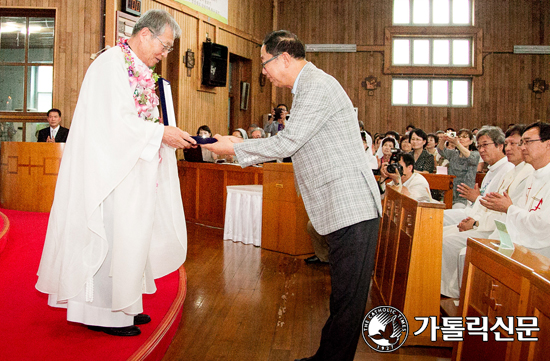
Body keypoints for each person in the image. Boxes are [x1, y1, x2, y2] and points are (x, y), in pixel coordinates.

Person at [203, 30, 381, 361]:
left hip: (352, 205)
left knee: (348, 300)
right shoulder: (308, 88)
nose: (263, 72)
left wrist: (235, 149)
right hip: (344, 207)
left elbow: (287, 143)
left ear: (284, 57)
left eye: (265, 63)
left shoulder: (315, 86)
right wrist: (237, 144)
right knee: (343, 297)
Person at [36, 9, 196, 337]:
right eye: (164, 46)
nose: (164, 55)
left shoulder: (137, 69)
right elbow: (112, 122)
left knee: (131, 238)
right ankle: (101, 312)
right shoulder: (111, 64)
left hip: (131, 170)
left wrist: (162, 131)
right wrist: (159, 134)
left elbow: (141, 119)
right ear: (145, 34)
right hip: (107, 174)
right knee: (109, 235)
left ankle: (126, 305)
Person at [440, 125, 533, 298]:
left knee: (451, 243)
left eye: (515, 143)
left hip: (502, 231)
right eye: (508, 143)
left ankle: (455, 294)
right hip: (490, 223)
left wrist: (476, 222)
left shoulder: (523, 172)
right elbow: (490, 205)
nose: (509, 148)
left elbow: (502, 210)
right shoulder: (510, 172)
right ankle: (447, 291)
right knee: (442, 234)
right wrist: (475, 219)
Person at [481, 122, 550, 259]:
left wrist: (509, 208)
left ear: (548, 144)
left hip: (543, 251)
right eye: (522, 142)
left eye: (528, 142)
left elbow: (545, 225)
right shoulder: (532, 176)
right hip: (522, 243)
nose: (522, 147)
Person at [442, 126, 513, 225]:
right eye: (479, 146)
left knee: (444, 235)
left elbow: (497, 209)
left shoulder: (508, 170)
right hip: (474, 213)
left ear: (500, 146)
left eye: (485, 145)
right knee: (438, 217)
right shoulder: (492, 170)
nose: (481, 150)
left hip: (487, 223)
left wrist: (476, 199)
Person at [437, 129, 480, 208]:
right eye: (459, 137)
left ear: (470, 141)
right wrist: (443, 139)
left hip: (464, 195)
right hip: (450, 193)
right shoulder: (454, 154)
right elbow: (441, 150)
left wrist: (457, 144)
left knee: (457, 208)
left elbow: (471, 157)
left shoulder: (475, 154)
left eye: (465, 137)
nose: (461, 139)